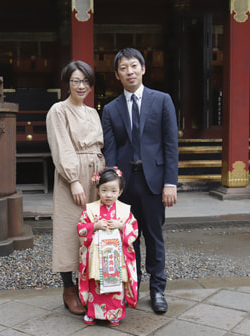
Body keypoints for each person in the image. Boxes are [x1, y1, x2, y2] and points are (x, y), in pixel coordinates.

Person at [101, 48, 178, 314]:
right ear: (116, 75)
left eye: (134, 66)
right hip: (124, 185)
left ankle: (157, 291)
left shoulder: (162, 100)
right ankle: (130, 288)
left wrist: (171, 183)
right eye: (123, 68)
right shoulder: (110, 109)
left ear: (143, 69)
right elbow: (110, 150)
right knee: (127, 240)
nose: (129, 72)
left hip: (154, 182)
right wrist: (110, 188)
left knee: (155, 239)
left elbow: (170, 144)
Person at [46, 60, 105, 315]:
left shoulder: (92, 111)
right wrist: (73, 180)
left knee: (93, 228)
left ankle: (88, 285)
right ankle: (68, 288)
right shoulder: (59, 110)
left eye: (85, 81)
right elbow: (61, 146)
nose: (81, 86)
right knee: (70, 227)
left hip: (96, 173)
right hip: (74, 173)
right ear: (67, 83)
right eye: (75, 81)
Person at [77, 167, 138, 326]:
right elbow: (81, 228)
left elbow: (134, 230)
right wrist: (95, 226)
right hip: (97, 256)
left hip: (115, 256)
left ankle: (114, 313)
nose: (108, 195)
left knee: (115, 283)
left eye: (113, 191)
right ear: (97, 190)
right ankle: (92, 312)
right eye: (104, 190)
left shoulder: (125, 211)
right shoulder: (91, 209)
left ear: (120, 191)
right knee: (96, 281)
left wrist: (121, 226)